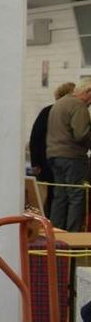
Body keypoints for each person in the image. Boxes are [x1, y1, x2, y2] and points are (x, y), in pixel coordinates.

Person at [44, 77, 91, 232]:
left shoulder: (60, 103)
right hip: (73, 158)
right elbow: (81, 134)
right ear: (87, 92)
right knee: (76, 197)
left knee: (60, 196)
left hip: (54, 155)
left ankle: (56, 234)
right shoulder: (79, 106)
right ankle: (73, 236)